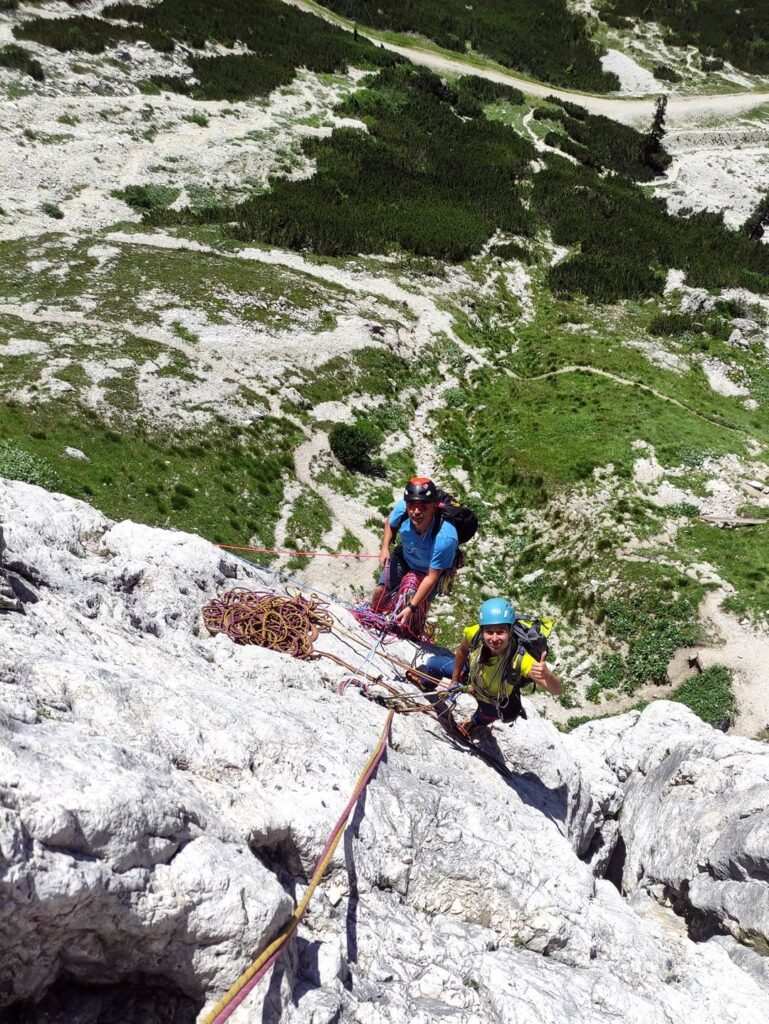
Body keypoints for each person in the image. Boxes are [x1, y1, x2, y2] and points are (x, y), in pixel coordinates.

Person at [409, 597, 561, 739]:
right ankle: (426, 683)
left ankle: (474, 723)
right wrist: (454, 680)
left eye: (501, 632)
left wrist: (547, 675)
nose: (494, 639)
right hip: (471, 676)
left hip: (493, 699)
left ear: (510, 631)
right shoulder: (474, 633)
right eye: (489, 632)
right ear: (482, 630)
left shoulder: (520, 659)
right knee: (432, 664)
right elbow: (462, 652)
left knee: (491, 713)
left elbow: (556, 690)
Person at [371, 477, 458, 631]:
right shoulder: (402, 509)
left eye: (423, 506)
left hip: (428, 571)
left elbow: (432, 576)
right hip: (405, 556)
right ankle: (373, 617)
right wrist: (385, 547)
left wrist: (412, 607)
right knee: (381, 590)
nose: (416, 511)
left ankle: (413, 631)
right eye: (412, 505)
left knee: (419, 609)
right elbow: (390, 523)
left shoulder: (445, 537)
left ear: (434, 506)